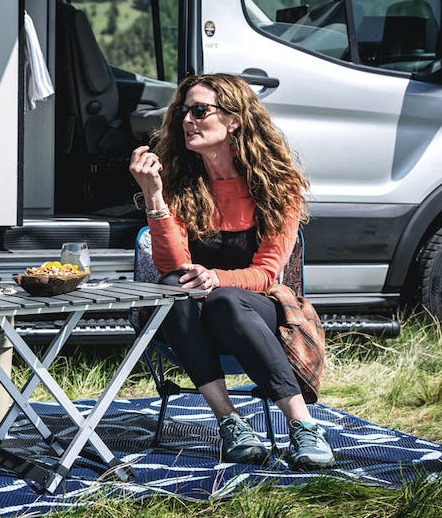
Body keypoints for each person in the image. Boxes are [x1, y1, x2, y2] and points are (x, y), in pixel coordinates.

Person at [129, 73, 334, 469]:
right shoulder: (180, 185)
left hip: (253, 309)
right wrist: (154, 194)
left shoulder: (277, 186)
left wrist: (216, 279)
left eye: (200, 110)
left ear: (234, 119)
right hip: (191, 314)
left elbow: (268, 273)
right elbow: (172, 267)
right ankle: (230, 421)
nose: (188, 120)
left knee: (223, 299)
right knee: (173, 286)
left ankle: (303, 425)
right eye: (183, 112)